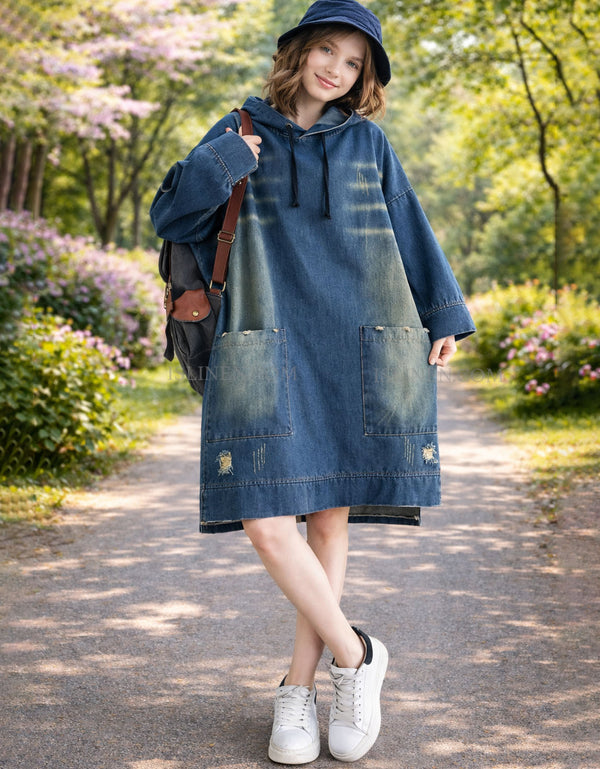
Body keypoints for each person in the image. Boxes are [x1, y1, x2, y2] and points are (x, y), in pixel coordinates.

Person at [150, 0, 475, 763]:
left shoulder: (367, 141)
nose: (337, 68)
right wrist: (229, 162)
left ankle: (299, 690)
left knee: (328, 520)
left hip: (353, 337)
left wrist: (444, 314)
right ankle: (357, 655)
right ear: (298, 52)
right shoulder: (239, 129)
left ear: (365, 76)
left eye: (354, 61)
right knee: (268, 521)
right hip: (266, 337)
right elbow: (170, 214)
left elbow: (409, 223)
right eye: (327, 50)